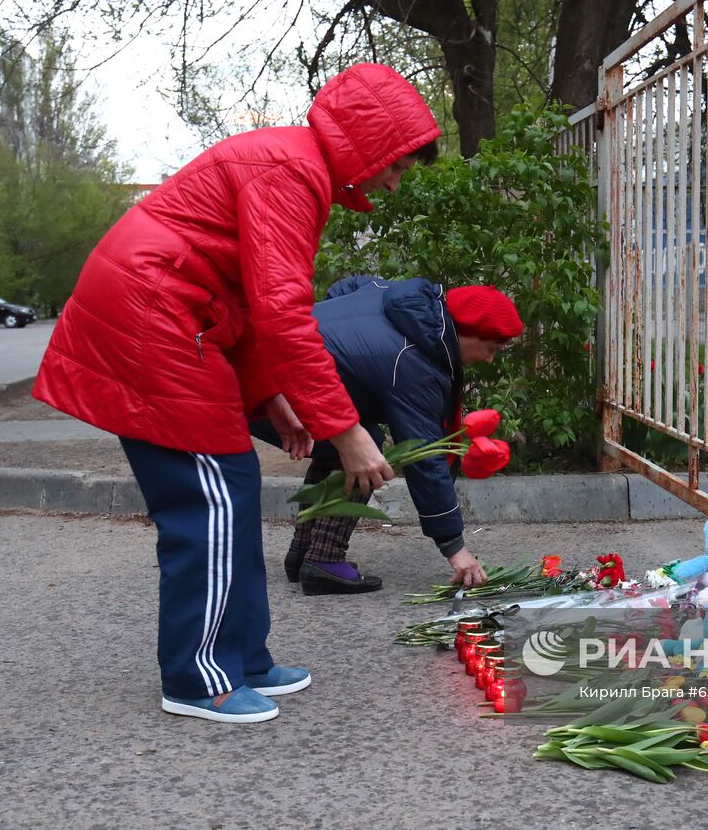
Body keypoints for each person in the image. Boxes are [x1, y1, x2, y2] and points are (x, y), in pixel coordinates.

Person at [32, 63, 441, 723]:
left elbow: (250, 296)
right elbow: (283, 314)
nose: (396, 180)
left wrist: (270, 394)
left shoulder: (293, 163)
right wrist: (348, 430)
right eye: (396, 164)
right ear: (369, 145)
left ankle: (243, 656)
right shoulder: (291, 171)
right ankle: (197, 678)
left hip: (178, 316)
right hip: (154, 316)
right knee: (209, 501)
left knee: (233, 487)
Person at [252, 279, 523, 595]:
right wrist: (455, 548)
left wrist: (334, 345)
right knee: (364, 448)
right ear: (463, 331)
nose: (490, 360)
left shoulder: (399, 297)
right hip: (270, 394)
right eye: (491, 349)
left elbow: (343, 287)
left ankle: (305, 553)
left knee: (348, 435)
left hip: (266, 364)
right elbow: (425, 458)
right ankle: (324, 559)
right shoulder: (413, 362)